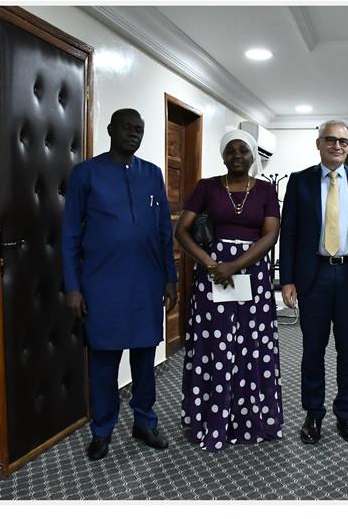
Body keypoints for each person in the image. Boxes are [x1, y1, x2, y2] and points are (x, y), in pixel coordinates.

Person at [62, 108, 177, 461]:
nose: (133, 133)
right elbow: (69, 235)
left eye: (139, 129)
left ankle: (144, 422)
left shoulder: (152, 174)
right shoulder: (86, 174)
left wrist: (170, 278)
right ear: (111, 130)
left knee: (145, 359)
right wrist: (72, 287)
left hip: (145, 284)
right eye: (127, 127)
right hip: (100, 285)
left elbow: (163, 232)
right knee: (103, 363)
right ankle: (102, 430)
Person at [174, 129, 283, 452]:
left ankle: (251, 419)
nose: (237, 156)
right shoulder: (206, 187)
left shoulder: (265, 190)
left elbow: (270, 235)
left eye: (244, 151)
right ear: (223, 156)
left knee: (252, 346)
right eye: (231, 151)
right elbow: (182, 230)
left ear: (253, 156)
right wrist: (211, 264)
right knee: (215, 345)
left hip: (251, 277)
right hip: (212, 279)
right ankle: (210, 419)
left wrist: (233, 267)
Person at [280, 120, 348, 445]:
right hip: (314, 276)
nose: (337, 146)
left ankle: (346, 415)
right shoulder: (300, 182)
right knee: (312, 350)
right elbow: (290, 233)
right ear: (319, 143)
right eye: (330, 140)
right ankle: (313, 414)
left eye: (343, 141)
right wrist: (287, 279)